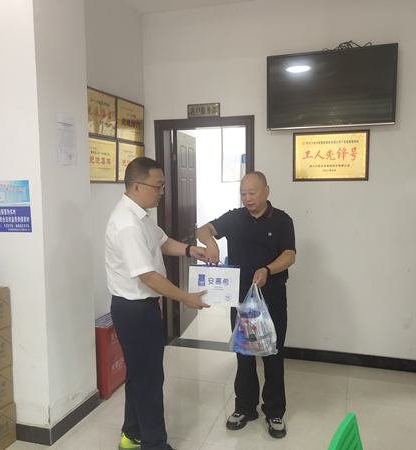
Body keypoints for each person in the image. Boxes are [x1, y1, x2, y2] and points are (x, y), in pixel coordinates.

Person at [105, 157, 210, 450]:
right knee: (148, 380)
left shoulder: (141, 215)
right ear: (136, 186)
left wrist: (191, 250)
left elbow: (162, 242)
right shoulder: (127, 224)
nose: (162, 192)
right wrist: (185, 297)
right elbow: (148, 276)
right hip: (134, 310)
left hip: (142, 308)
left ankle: (132, 435)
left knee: (141, 375)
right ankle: (154, 444)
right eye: (158, 186)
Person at [197, 171, 296, 439]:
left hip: (271, 295)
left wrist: (267, 269)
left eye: (252, 192)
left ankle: (274, 412)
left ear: (266, 191)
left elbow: (289, 255)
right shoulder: (234, 218)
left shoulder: (282, 220)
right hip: (240, 297)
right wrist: (210, 243)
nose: (247, 198)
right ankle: (244, 408)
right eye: (243, 193)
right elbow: (203, 229)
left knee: (273, 354)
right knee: (244, 354)